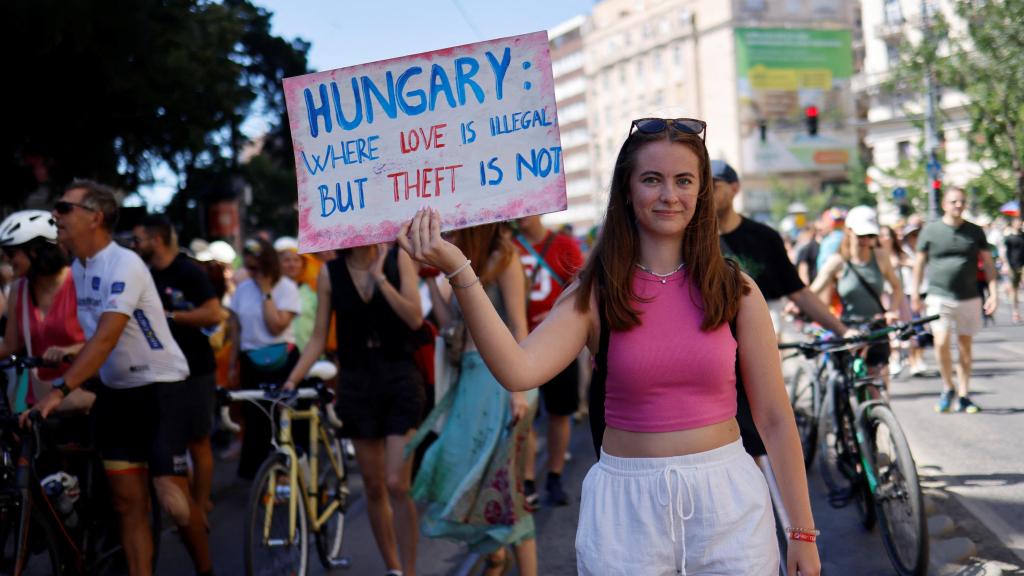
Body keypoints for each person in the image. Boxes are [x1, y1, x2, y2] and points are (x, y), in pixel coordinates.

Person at [400, 119, 821, 575]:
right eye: (651, 179)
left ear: (701, 192)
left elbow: (776, 420)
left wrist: (801, 531)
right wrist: (459, 269)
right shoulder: (596, 292)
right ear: (626, 189)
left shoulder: (735, 289)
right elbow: (518, 371)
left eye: (684, 180)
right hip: (626, 509)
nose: (669, 195)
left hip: (729, 503)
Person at [30, 180, 211, 576]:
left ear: (95, 217)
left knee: (172, 500)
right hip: (117, 391)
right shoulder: (78, 267)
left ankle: (206, 570)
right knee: (127, 505)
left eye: (64, 207)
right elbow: (98, 335)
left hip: (161, 388)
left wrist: (60, 390)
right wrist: (74, 355)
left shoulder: (125, 264)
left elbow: (109, 335)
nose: (56, 215)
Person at [284, 242, 425, 576]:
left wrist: (381, 281)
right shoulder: (330, 272)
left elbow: (415, 317)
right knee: (374, 486)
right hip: (357, 383)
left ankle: (410, 569)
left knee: (396, 484)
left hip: (399, 376)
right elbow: (319, 336)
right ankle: (394, 568)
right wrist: (291, 380)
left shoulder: (398, 257)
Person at [405, 223, 537, 576]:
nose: (450, 234)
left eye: (457, 228)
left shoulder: (504, 259)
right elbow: (449, 322)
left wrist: (519, 392)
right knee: (465, 475)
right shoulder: (464, 262)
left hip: (504, 382)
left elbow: (519, 326)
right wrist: (433, 279)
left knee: (506, 487)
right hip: (470, 379)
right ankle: (494, 556)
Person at [132, 215, 226, 521]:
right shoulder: (144, 274)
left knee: (198, 440)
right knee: (167, 442)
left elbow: (214, 314)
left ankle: (200, 507)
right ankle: (179, 505)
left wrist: (171, 317)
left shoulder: (189, 271)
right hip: (158, 372)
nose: (134, 246)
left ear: (156, 239)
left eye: (139, 239)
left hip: (195, 369)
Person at [513, 214, 584, 507]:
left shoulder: (564, 244)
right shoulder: (509, 247)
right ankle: (528, 478)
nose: (522, 216)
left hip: (557, 342)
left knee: (559, 413)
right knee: (525, 416)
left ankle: (554, 475)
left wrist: (556, 313)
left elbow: (581, 289)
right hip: (520, 344)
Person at [912, 188, 998, 413]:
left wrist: (993, 292)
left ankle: (963, 393)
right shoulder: (931, 231)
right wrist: (915, 294)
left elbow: (988, 264)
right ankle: (948, 386)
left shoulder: (975, 231)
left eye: (961, 201)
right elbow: (919, 264)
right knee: (940, 342)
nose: (958, 205)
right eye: (953, 202)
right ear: (944, 205)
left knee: (965, 346)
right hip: (939, 296)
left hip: (969, 296)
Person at [0, 210, 89, 412]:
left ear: (36, 251)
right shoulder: (19, 290)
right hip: (41, 403)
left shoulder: (79, 281)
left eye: (12, 253)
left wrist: (71, 350)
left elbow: (106, 339)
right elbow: (10, 345)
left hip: (83, 398)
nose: (6, 259)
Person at [228, 237, 301, 479]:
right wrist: (232, 363)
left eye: (256, 267)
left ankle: (285, 473)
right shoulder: (242, 290)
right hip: (250, 361)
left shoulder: (287, 288)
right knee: (256, 420)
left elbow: (277, 326)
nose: (252, 272)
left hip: (282, 359)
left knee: (282, 418)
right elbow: (236, 329)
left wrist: (267, 292)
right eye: (249, 267)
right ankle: (259, 476)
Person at [810, 206, 903, 389]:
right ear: (849, 232)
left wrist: (892, 310)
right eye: (861, 235)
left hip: (877, 326)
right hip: (847, 327)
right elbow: (811, 292)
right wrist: (795, 305)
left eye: (870, 235)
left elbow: (897, 286)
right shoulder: (837, 261)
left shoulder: (881, 257)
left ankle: (878, 415)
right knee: (845, 383)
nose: (865, 240)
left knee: (878, 380)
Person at [274, 236, 318, 351]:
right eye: (287, 260)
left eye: (296, 260)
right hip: (281, 355)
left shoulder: (312, 291)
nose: (292, 265)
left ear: (303, 264)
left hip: (308, 354)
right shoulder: (271, 290)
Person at [1004, 217, 1024, 323]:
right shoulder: (1009, 238)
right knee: (1014, 290)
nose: (1019, 224)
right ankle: (1015, 312)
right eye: (1017, 223)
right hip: (1013, 265)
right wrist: (1006, 264)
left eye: (1020, 222)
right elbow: (1005, 253)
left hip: (1023, 265)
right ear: (1012, 224)